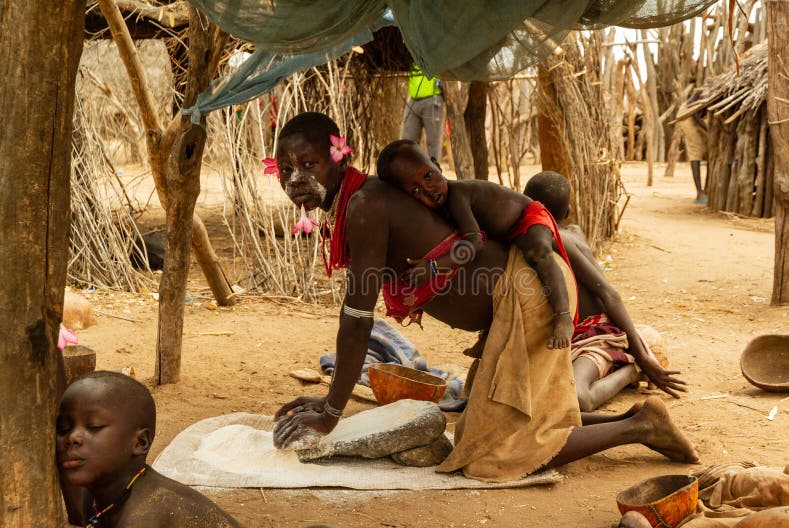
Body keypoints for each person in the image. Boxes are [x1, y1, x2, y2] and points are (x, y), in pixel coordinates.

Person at [270, 111, 699, 483]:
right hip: (514, 302)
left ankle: (640, 427)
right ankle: (635, 420)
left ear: (340, 158)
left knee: (491, 455)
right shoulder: (362, 202)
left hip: (528, 297)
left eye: (309, 164)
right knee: (491, 421)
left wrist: (330, 411)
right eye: (286, 169)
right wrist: (330, 401)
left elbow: (358, 316)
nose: (296, 179)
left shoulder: (365, 204)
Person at [377, 139, 575, 349]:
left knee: (539, 254)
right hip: (501, 232)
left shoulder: (456, 196)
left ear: (437, 164)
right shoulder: (438, 205)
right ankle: (489, 332)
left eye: (428, 176)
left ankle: (563, 316)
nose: (428, 190)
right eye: (415, 191)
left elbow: (475, 241)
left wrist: (434, 267)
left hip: (528, 219)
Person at [524, 171, 687, 411]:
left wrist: (641, 356)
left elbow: (608, 294)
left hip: (595, 335)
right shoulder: (567, 232)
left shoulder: (557, 241)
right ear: (568, 211)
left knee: (578, 399)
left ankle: (631, 371)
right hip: (569, 336)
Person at [57, 371, 257, 528]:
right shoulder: (95, 496)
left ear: (140, 442)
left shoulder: (142, 517)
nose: (72, 438)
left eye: (94, 426)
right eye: (63, 428)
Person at [400, 62, 445, 161]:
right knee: (407, 141)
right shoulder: (411, 53)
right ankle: (407, 170)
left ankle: (434, 171)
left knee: (433, 142)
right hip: (413, 99)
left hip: (433, 98)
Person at [675, 90, 708, 203]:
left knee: (711, 152)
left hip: (697, 118)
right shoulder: (700, 92)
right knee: (695, 152)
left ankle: (706, 190)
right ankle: (700, 192)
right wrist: (706, 128)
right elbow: (692, 111)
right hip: (687, 117)